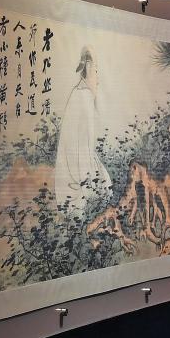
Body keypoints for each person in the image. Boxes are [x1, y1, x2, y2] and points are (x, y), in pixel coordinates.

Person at [54, 46, 112, 213]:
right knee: (105, 189)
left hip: (70, 172)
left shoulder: (77, 93)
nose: (98, 81)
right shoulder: (84, 97)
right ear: (90, 71)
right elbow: (83, 150)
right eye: (96, 72)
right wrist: (89, 185)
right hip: (75, 178)